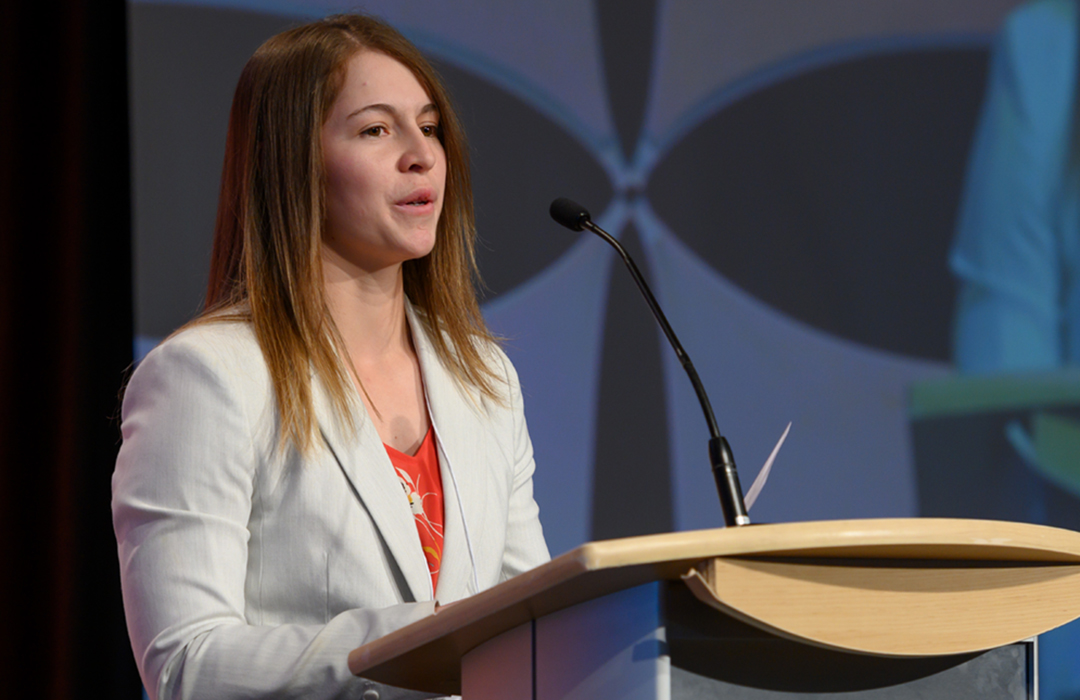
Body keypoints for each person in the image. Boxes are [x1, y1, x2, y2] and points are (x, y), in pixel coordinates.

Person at [111, 14, 549, 700]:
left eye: (429, 127)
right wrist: (408, 644)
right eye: (377, 130)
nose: (421, 155)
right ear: (292, 162)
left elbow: (538, 628)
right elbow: (184, 663)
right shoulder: (207, 378)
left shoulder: (484, 380)